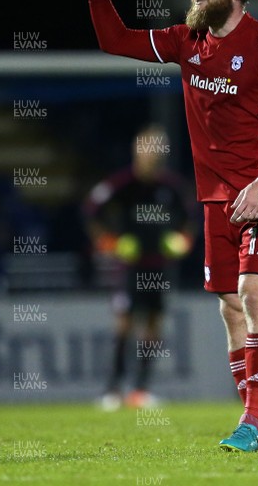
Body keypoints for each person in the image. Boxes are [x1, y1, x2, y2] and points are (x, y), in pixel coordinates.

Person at [64, 0, 258, 452]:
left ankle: (252, 419)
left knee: (254, 292)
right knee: (229, 306)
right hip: (216, 196)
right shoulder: (187, 40)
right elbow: (113, 39)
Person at [84, 125, 194, 409]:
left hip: (158, 266)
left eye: (157, 150)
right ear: (137, 151)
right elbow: (91, 211)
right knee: (124, 324)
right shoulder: (121, 184)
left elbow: (190, 217)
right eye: (148, 149)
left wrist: (183, 240)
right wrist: (108, 242)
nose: (152, 155)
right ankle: (112, 390)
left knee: (153, 327)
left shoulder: (171, 187)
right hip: (129, 267)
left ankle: (141, 389)